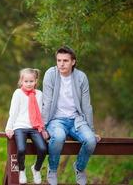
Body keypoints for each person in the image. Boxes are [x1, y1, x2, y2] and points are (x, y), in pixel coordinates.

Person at [42, 46, 101, 185]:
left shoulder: (81, 77)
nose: (61, 64)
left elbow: (86, 105)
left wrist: (92, 130)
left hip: (76, 120)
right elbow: (47, 101)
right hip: (56, 120)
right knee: (58, 137)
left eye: (65, 61)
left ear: (73, 62)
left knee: (91, 140)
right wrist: (42, 127)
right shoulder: (51, 74)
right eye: (59, 60)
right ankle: (53, 169)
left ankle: (79, 168)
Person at [5, 68, 48, 184]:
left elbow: (41, 113)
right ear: (21, 81)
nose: (29, 84)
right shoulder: (18, 93)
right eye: (26, 81)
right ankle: (22, 170)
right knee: (22, 149)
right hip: (20, 126)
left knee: (43, 148)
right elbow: (13, 112)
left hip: (34, 127)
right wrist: (9, 128)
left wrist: (43, 128)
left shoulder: (39, 94)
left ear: (36, 81)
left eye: (31, 81)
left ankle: (36, 169)